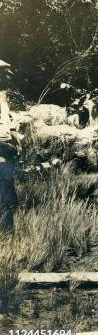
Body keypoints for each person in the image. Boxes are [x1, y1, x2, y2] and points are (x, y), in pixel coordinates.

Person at [0, 66, 21, 233]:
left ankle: (8, 231)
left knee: (8, 188)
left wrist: (17, 142)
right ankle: (7, 231)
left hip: (7, 146)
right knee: (4, 192)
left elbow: (8, 123)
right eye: (4, 76)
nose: (7, 81)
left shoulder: (2, 96)